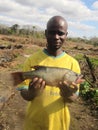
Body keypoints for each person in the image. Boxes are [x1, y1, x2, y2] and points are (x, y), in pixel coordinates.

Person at [19, 16, 82, 130]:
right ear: (46, 33)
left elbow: (73, 98)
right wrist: (32, 92)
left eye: (60, 33)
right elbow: (24, 94)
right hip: (33, 122)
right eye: (52, 33)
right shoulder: (32, 60)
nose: (56, 37)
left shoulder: (73, 64)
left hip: (59, 124)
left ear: (66, 35)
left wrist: (68, 93)